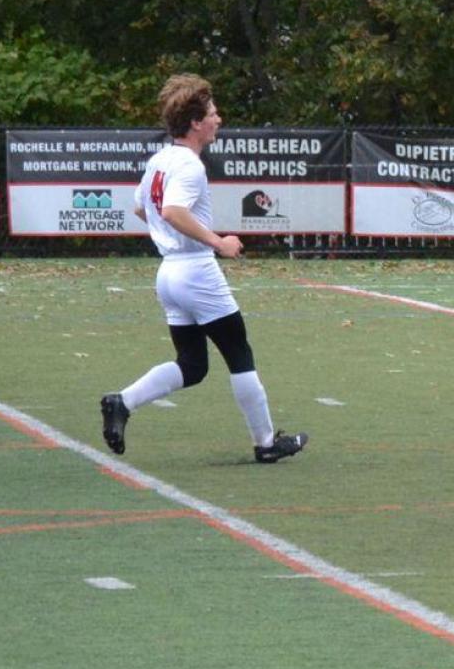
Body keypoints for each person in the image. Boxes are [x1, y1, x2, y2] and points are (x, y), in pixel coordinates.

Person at [100, 76, 307, 465]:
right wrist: (218, 242)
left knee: (192, 366)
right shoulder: (189, 166)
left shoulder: (159, 160)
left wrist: (168, 236)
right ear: (195, 122)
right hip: (196, 271)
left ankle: (122, 402)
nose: (218, 119)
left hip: (169, 274)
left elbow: (143, 208)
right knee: (238, 353)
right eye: (212, 113)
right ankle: (266, 443)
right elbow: (173, 211)